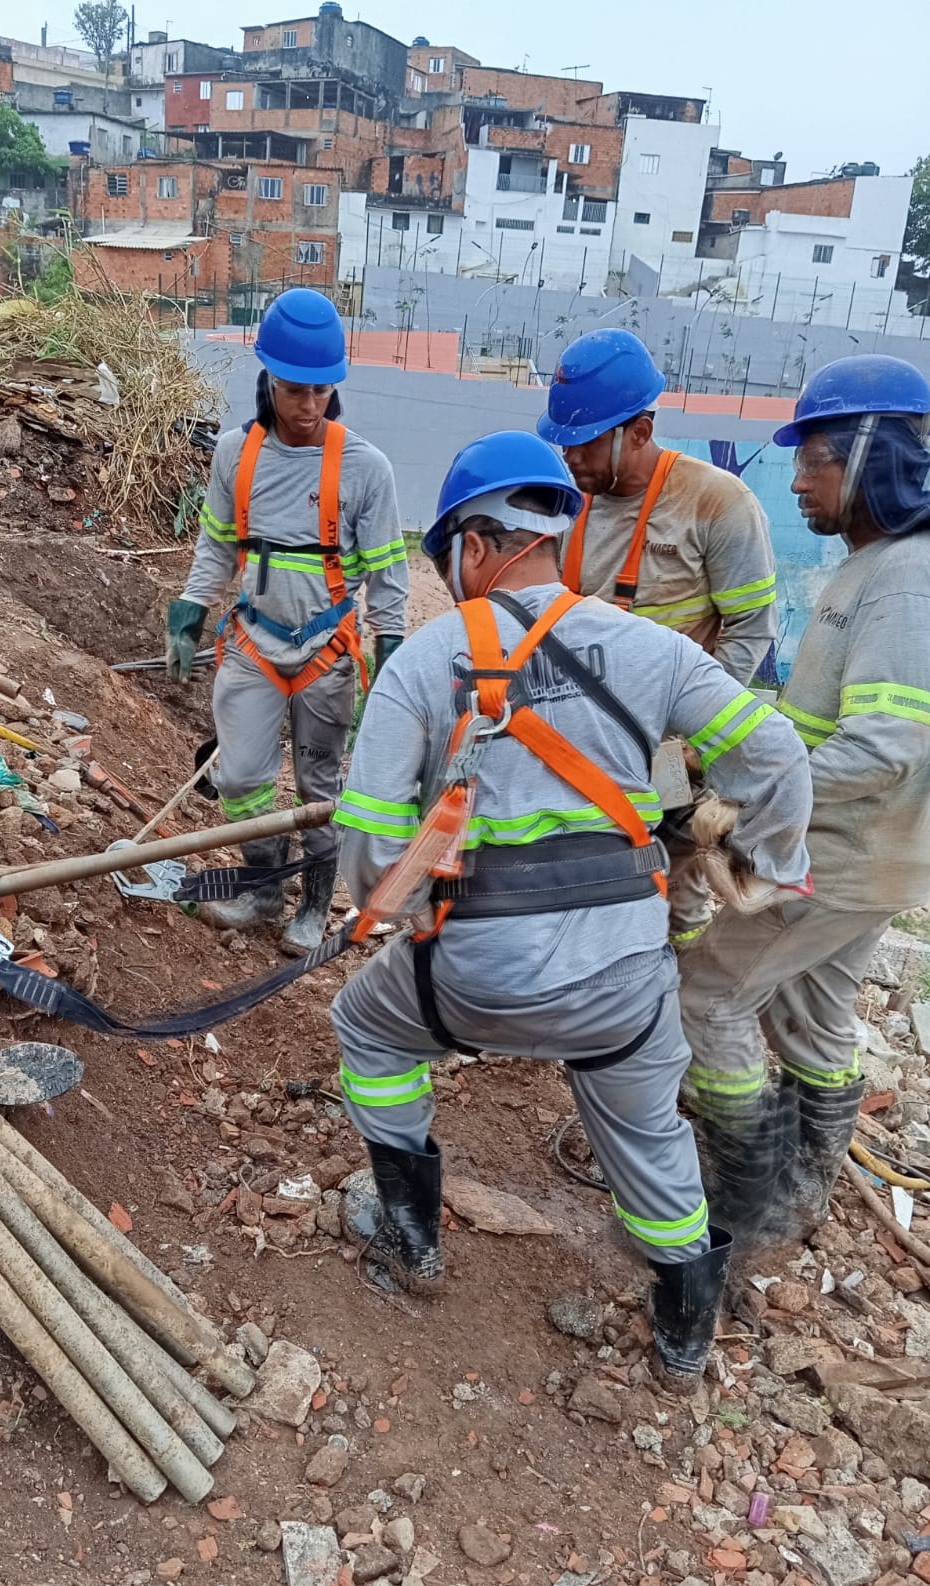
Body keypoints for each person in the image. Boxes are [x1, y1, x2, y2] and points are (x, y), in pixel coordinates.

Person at [328, 430, 811, 1385]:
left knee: (367, 1031)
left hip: (470, 980)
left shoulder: (425, 661)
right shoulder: (652, 651)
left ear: (473, 545)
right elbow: (780, 758)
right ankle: (682, 1333)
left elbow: (376, 845)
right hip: (621, 987)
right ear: (552, 534)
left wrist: (402, 919)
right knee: (643, 1125)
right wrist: (769, 867)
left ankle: (411, 1231)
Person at [680, 354, 930, 1247]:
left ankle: (738, 1203)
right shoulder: (880, 566)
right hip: (872, 856)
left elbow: (889, 745)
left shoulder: (904, 578)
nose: (796, 478)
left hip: (838, 852)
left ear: (870, 456)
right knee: (813, 1016)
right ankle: (797, 1198)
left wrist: (745, 793)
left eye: (813, 457)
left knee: (707, 994)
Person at [166, 288, 408, 955]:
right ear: (266, 378)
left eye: (323, 393)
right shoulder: (234, 455)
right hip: (252, 645)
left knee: (318, 788)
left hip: (326, 652)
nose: (309, 407)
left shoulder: (364, 469)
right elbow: (216, 545)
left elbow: (389, 572)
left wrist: (390, 645)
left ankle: (313, 901)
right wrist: (190, 609)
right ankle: (264, 887)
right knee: (240, 778)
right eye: (295, 391)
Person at [538, 329, 779, 949]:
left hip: (674, 754)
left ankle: (675, 1009)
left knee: (674, 896)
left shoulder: (716, 502)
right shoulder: (569, 503)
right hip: (587, 744)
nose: (572, 459)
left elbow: (751, 633)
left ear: (639, 431)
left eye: (585, 444)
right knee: (586, 886)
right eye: (564, 443)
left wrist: (692, 742)